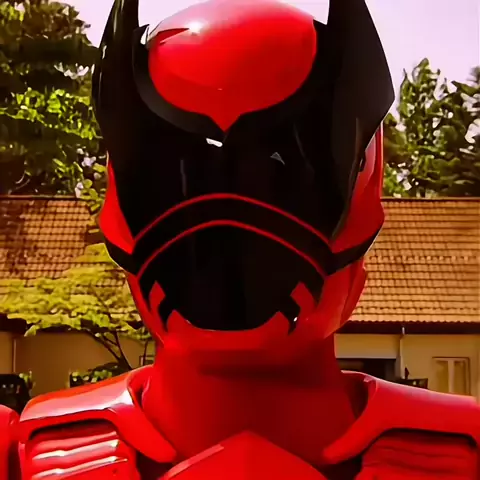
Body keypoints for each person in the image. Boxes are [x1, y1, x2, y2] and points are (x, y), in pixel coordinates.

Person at [2, 0, 479, 478]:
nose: (227, 251)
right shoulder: (21, 455)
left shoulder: (461, 452)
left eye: (278, 174)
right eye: (180, 176)